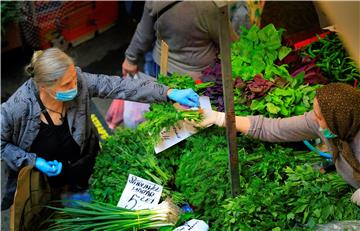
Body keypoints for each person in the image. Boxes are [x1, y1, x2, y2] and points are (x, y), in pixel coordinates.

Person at [1, 48, 200, 210]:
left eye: (74, 78)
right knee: (54, 210)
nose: (75, 86)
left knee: (89, 193)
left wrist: (168, 92)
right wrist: (34, 161)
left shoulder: (80, 81)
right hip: (44, 179)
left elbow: (120, 86)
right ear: (45, 87)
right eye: (67, 84)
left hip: (85, 159)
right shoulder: (17, 108)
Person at [194, 83, 360, 205]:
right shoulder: (323, 124)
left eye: (319, 116)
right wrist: (220, 118)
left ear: (339, 120)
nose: (314, 119)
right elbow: (272, 128)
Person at [122, 1, 237, 80]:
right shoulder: (210, 5)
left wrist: (130, 59)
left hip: (163, 68)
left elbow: (144, 34)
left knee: (164, 106)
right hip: (200, 77)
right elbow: (229, 43)